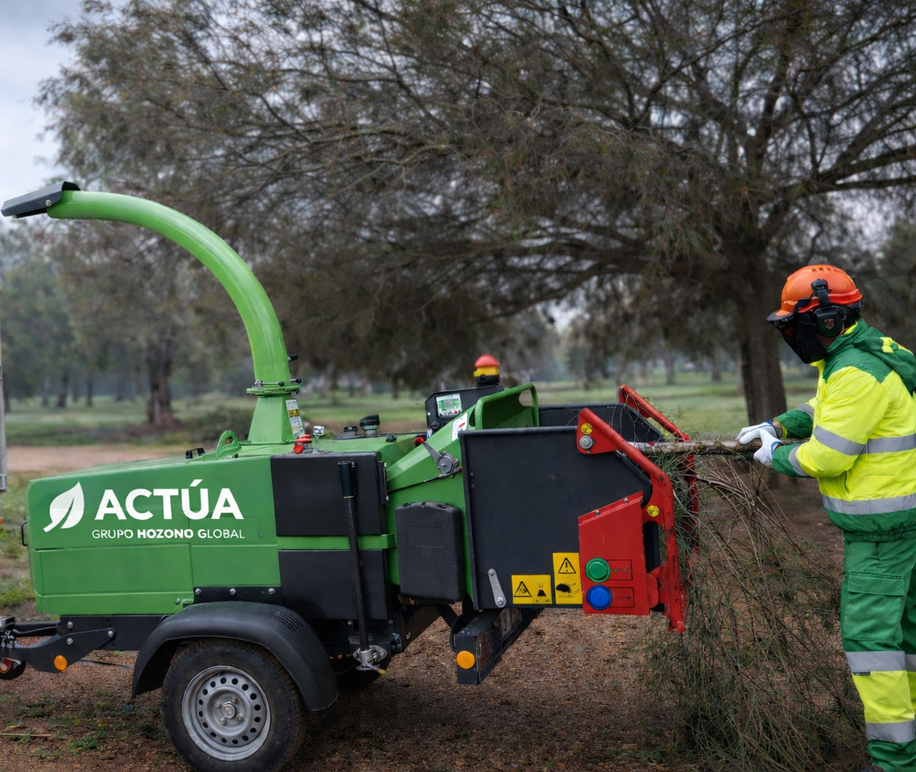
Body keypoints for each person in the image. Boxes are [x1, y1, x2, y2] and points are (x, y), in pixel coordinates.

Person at [738, 264, 916, 772]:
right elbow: (826, 409)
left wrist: (775, 455)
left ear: (829, 320)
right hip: (903, 526)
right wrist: (778, 425)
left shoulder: (856, 371)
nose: (795, 336)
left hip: (882, 537)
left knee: (872, 647)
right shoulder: (867, 353)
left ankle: (894, 762)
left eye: (797, 325)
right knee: (907, 639)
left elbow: (828, 457)